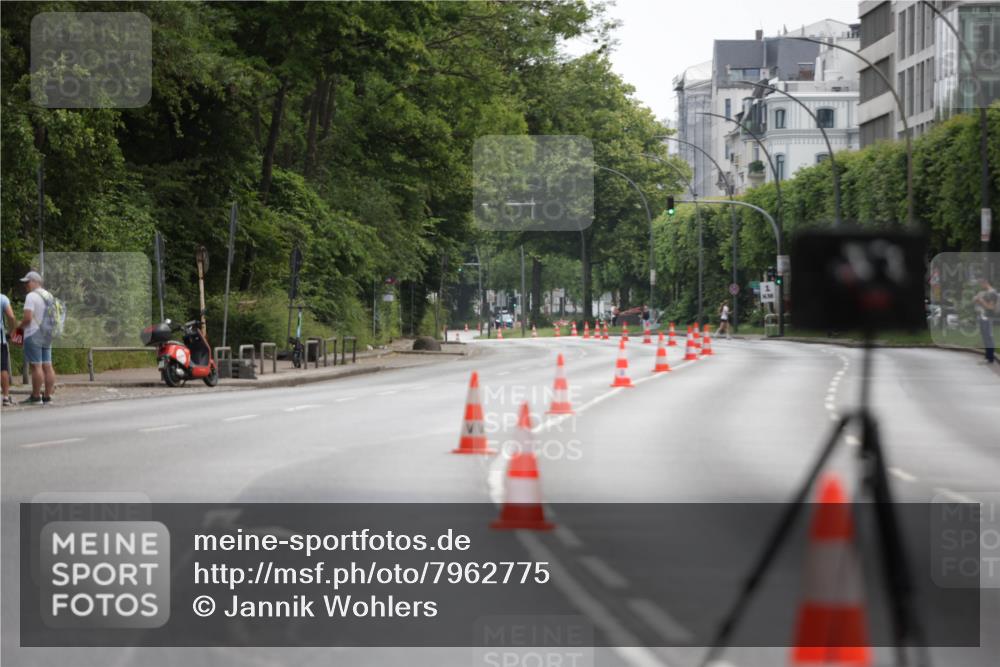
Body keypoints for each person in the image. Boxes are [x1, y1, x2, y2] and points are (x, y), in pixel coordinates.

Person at [17, 271, 57, 405]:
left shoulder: (31, 296)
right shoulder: (49, 295)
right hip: (48, 333)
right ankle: (47, 396)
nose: (25, 286)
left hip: (34, 333)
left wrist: (19, 328)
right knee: (48, 365)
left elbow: (28, 318)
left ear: (35, 282)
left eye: (27, 282)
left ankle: (35, 397)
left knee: (36, 366)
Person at [973, 278, 998, 365]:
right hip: (983, 317)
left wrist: (980, 300)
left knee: (988, 337)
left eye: (981, 284)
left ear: (985, 283)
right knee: (985, 337)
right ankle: (987, 357)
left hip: (988, 318)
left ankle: (990, 358)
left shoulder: (992, 293)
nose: (980, 286)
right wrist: (977, 299)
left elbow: (991, 307)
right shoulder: (986, 293)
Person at [1, 292, 15, 406]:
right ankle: (5, 397)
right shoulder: (2, 298)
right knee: (3, 368)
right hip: (0, 340)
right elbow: (11, 316)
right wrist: (11, 332)